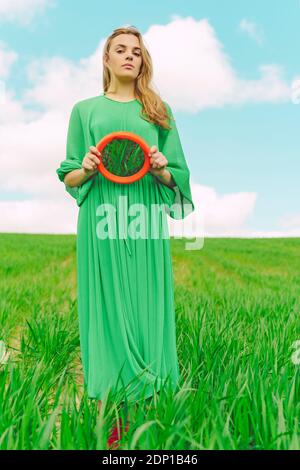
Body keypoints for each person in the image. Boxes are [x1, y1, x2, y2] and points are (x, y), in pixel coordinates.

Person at [56, 25, 194, 448]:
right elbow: (69, 174)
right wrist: (89, 164)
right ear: (107, 59)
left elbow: (180, 175)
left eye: (136, 50)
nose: (130, 56)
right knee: (107, 313)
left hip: (145, 217)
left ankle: (152, 421)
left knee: (147, 308)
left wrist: (160, 167)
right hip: (101, 219)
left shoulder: (159, 110)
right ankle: (111, 421)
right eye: (121, 49)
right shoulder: (85, 110)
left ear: (142, 60)